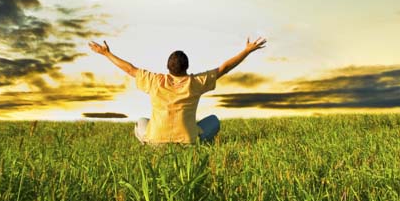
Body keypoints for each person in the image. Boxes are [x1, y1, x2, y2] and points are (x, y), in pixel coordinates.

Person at [88, 36, 267, 144]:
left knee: (141, 121)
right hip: (188, 143)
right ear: (187, 67)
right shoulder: (196, 82)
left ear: (167, 67)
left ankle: (149, 143)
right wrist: (247, 51)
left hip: (155, 142)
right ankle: (197, 143)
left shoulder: (154, 81)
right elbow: (224, 68)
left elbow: (129, 69)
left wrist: (106, 53)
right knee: (214, 121)